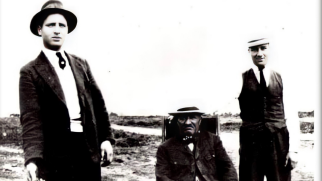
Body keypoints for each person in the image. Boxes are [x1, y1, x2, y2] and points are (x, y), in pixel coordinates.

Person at [19, 1, 114, 180]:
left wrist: (106, 139)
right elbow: (31, 119)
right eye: (51, 25)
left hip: (88, 151)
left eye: (62, 25)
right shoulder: (29, 72)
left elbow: (99, 106)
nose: (57, 30)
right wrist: (32, 159)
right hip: (55, 158)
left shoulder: (81, 65)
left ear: (67, 30)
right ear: (40, 30)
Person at [238, 37, 300, 181]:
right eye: (254, 49)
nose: (259, 53)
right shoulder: (241, 78)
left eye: (263, 48)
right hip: (251, 143)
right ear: (249, 51)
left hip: (278, 143)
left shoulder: (282, 77)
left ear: (269, 49)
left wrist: (294, 151)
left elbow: (291, 115)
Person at [155, 106, 238, 181]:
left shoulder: (213, 140)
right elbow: (162, 176)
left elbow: (227, 167)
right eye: (182, 119)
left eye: (192, 118)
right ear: (177, 122)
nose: (187, 123)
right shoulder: (165, 148)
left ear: (200, 121)